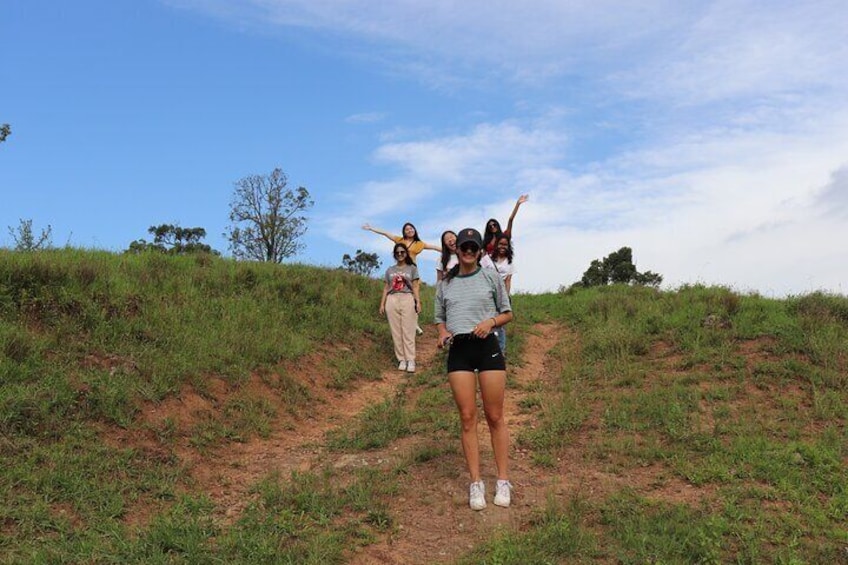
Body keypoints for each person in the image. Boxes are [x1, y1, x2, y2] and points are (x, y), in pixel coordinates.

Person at [435, 227, 514, 510]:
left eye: (473, 247)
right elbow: (439, 318)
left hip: (487, 347)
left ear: (480, 251)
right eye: (464, 247)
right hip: (460, 350)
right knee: (468, 417)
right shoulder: (446, 283)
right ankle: (476, 483)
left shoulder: (490, 276)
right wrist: (442, 332)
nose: (468, 251)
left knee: (495, 416)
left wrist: (490, 323)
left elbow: (508, 312)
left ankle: (503, 480)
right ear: (456, 250)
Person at [379, 243, 421, 373]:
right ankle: (401, 359)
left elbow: (415, 286)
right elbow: (386, 287)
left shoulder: (412, 268)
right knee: (395, 331)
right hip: (392, 299)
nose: (400, 254)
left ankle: (410, 359)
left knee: (408, 330)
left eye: (402, 252)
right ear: (394, 254)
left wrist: (417, 301)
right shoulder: (390, 270)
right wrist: (382, 304)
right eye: (397, 252)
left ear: (406, 253)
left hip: (407, 298)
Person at [362, 222, 440, 265]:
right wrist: (371, 228)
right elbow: (385, 233)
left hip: (412, 269)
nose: (409, 230)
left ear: (414, 230)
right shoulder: (399, 240)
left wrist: (450, 251)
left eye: (411, 229)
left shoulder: (420, 244)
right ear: (404, 232)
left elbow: (435, 247)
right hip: (400, 267)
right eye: (407, 229)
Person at [491, 235, 515, 354]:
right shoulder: (489, 259)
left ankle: (501, 351)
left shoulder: (509, 263)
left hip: (502, 296)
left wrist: (505, 297)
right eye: (500, 244)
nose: (502, 247)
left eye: (505, 245)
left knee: (500, 325)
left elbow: (508, 281)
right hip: (488, 295)